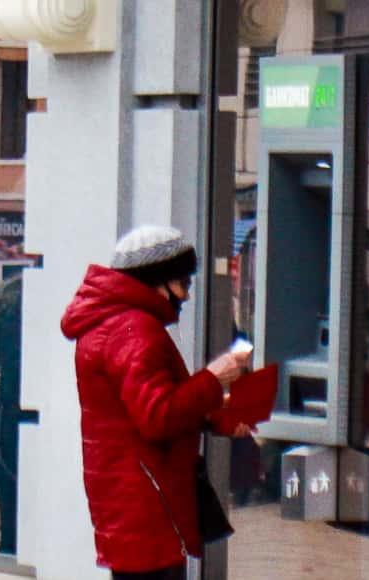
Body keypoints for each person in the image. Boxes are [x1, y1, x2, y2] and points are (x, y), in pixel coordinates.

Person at [61, 225, 251, 580]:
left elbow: (145, 407)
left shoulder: (112, 323)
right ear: (157, 280)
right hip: (148, 504)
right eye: (184, 283)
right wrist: (214, 377)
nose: (187, 295)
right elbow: (158, 417)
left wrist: (216, 418)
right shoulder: (134, 329)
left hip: (130, 501)